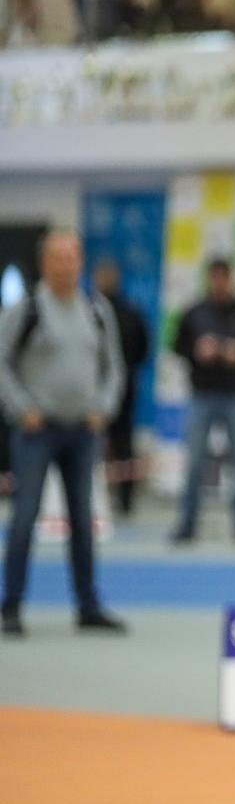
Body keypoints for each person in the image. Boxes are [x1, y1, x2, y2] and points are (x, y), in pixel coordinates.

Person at [0, 229, 126, 638]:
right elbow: (2, 364)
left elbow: (114, 367)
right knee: (25, 518)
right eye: (57, 257)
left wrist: (102, 408)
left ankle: (88, 605)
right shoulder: (26, 310)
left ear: (80, 262)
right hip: (37, 432)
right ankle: (12, 605)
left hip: (81, 431)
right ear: (44, 263)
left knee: (82, 521)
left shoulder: (96, 309)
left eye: (72, 256)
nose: (65, 264)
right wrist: (22, 408)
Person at [170, 257, 235, 545]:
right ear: (209, 279)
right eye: (215, 278)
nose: (219, 284)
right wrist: (197, 351)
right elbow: (177, 345)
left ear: (231, 279)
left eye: (224, 278)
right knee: (194, 462)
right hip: (202, 394)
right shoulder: (195, 311)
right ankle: (187, 524)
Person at [92, 260, 149, 516]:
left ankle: (125, 500)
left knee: (124, 443)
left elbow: (143, 349)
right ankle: (91, 499)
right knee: (90, 445)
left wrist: (123, 377)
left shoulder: (129, 312)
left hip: (124, 391)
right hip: (89, 394)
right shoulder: (87, 311)